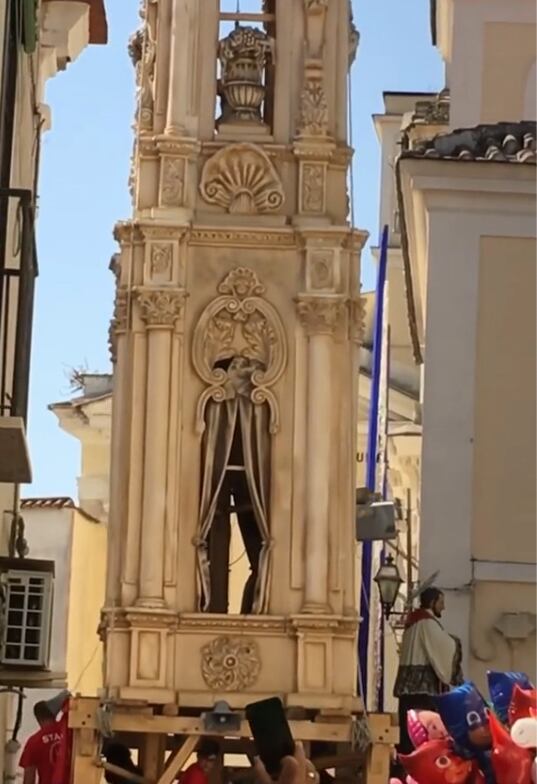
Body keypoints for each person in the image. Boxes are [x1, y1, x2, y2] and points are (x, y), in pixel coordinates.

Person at [393, 586, 463, 755]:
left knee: (407, 728)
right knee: (423, 729)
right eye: (441, 602)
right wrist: (456, 643)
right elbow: (445, 647)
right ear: (432, 602)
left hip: (409, 688)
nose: (443, 607)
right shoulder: (427, 623)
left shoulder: (413, 623)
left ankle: (407, 758)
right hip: (422, 689)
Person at [19, 701, 63, 784]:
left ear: (38, 718)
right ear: (54, 714)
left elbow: (29, 779)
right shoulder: (69, 733)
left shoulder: (34, 741)